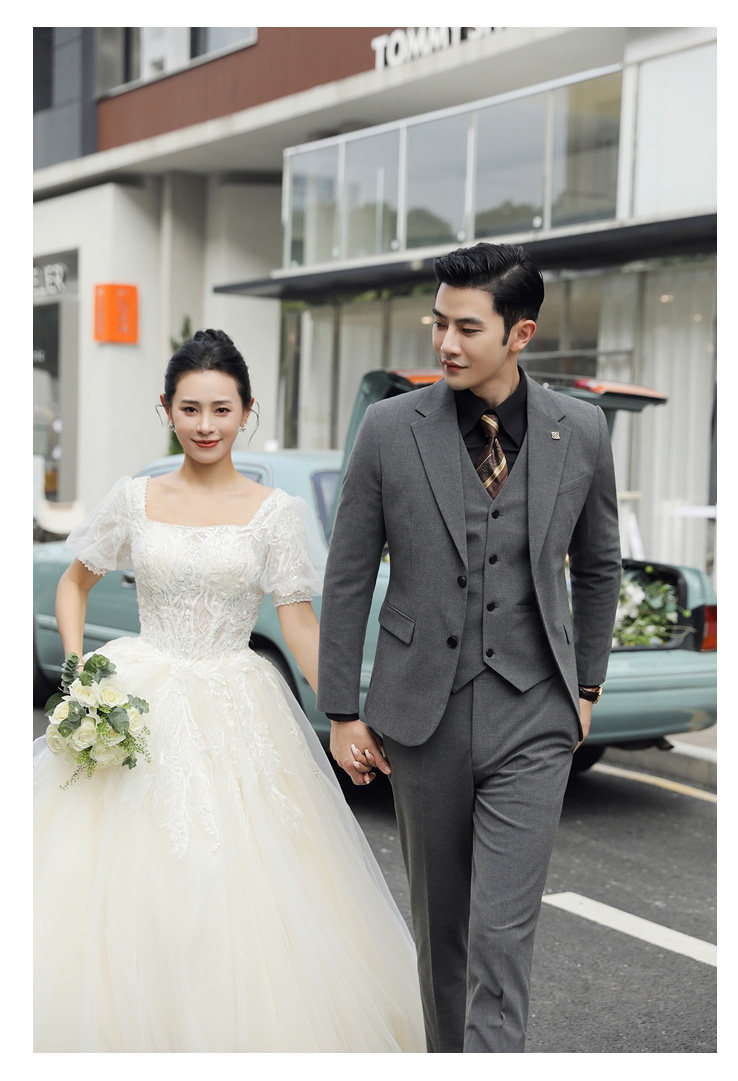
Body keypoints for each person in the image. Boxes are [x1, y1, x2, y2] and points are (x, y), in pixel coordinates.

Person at [33, 329, 425, 1053]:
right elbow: (74, 582)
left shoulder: (274, 512)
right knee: (120, 878)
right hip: (140, 695)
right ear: (166, 409)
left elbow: (299, 622)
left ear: (247, 411)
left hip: (237, 703)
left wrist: (345, 714)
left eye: (221, 409)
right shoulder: (135, 498)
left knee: (240, 880)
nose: (206, 425)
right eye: (190, 409)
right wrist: (83, 669)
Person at [317, 243, 621, 1053]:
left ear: (520, 333)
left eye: (467, 327)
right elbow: (348, 572)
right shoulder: (390, 429)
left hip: (535, 711)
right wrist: (342, 709)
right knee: (442, 931)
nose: (446, 343)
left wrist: (586, 689)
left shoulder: (581, 430)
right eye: (439, 323)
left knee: (501, 935)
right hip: (423, 713)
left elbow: (599, 565)